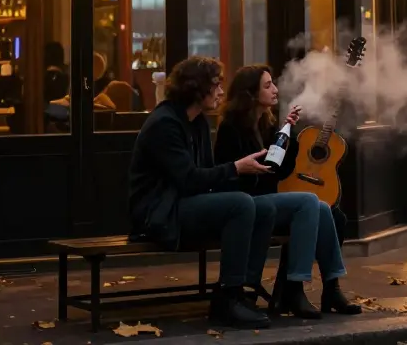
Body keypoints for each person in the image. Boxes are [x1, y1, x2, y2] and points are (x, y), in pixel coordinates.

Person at [128, 56, 275, 328]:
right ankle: (227, 298)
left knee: (264, 207)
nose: (221, 91)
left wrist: (241, 174)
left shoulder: (197, 122)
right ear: (196, 88)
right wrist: (236, 168)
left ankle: (246, 289)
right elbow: (189, 179)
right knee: (241, 205)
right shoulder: (164, 123)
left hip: (185, 203)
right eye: (216, 85)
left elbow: (206, 174)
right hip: (160, 211)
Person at [214, 65, 362, 319]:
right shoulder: (232, 127)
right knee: (309, 202)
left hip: (268, 198)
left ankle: (330, 287)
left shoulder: (267, 124)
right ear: (250, 93)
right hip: (247, 203)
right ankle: (295, 287)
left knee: (325, 208)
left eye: (273, 83)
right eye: (267, 85)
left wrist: (287, 134)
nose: (275, 89)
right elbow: (235, 177)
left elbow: (280, 171)